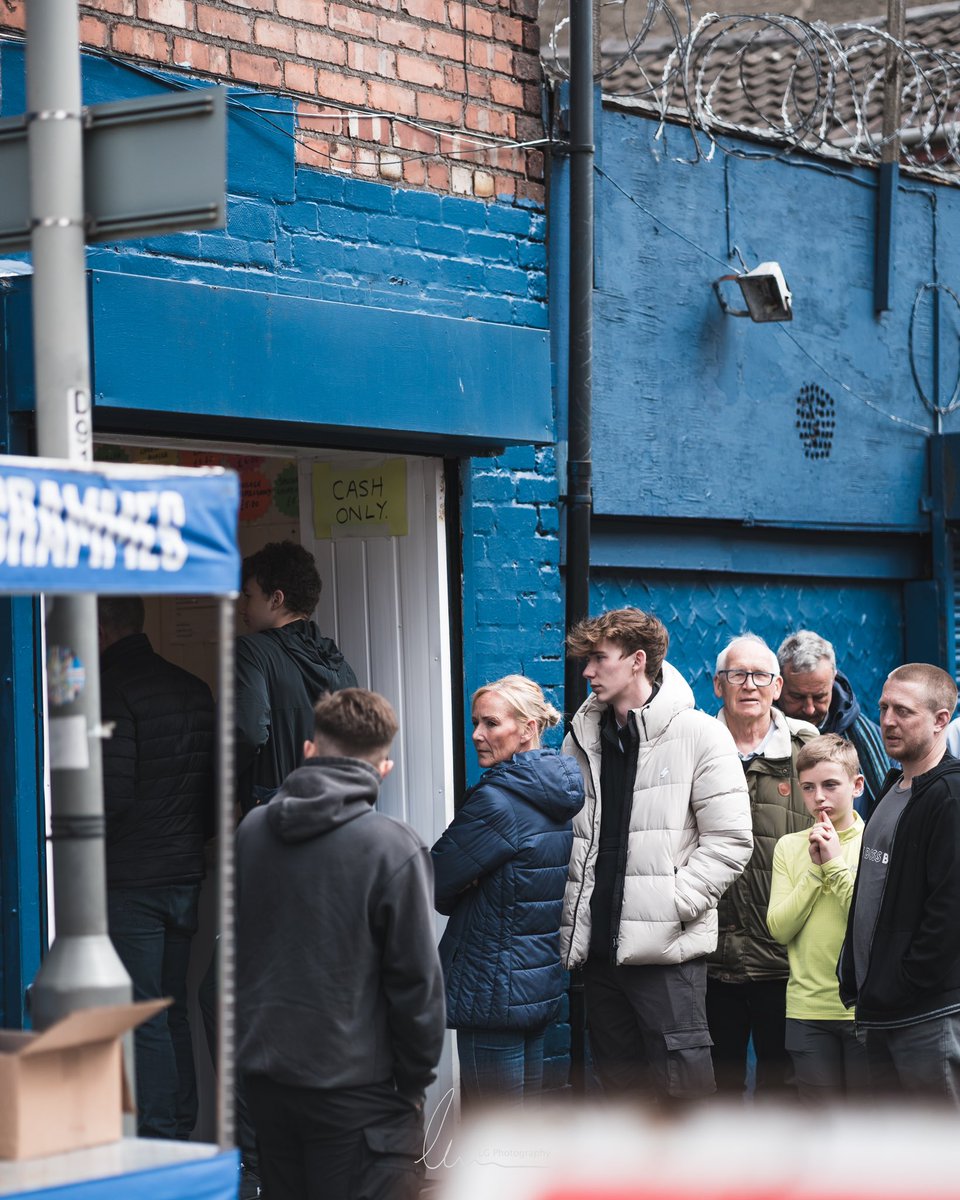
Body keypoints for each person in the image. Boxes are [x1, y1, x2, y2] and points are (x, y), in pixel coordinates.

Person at [236, 688, 445, 1199]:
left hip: (267, 1080)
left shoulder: (252, 831)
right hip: (358, 1092)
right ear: (384, 768)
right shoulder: (392, 846)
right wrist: (415, 1083)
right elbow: (416, 982)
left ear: (310, 751)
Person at [561, 608, 753, 1103]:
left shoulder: (699, 734)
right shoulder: (581, 738)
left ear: (637, 661)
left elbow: (730, 840)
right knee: (623, 1105)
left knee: (682, 1098)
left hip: (667, 957)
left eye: (598, 659)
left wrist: (672, 904)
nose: (588, 672)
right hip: (599, 956)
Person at [431, 675, 584, 1105]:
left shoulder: (497, 802)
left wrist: (465, 885)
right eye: (476, 723)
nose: (477, 735)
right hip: (534, 983)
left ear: (529, 727)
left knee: (493, 1136)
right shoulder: (553, 794)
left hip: (491, 986)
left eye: (491, 723)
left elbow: (435, 880)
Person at [99, 595, 215, 1140]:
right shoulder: (193, 688)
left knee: (142, 1011)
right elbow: (217, 793)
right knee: (171, 1010)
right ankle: (181, 1127)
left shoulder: (109, 690)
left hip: (132, 881)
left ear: (100, 627)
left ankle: (158, 1136)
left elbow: (110, 796)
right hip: (185, 875)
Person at [838, 664, 960, 1102]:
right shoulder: (893, 788)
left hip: (928, 1017)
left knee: (942, 1152)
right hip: (882, 1013)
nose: (887, 720)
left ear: (941, 719)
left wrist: (903, 983)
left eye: (904, 711)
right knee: (900, 1158)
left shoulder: (950, 797)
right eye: (884, 707)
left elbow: (949, 912)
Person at [708, 633, 818, 1096]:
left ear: (777, 686)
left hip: (785, 958)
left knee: (784, 1087)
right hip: (714, 957)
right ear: (719, 685)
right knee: (719, 1085)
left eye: (760, 676)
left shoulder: (806, 748)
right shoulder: (698, 747)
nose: (749, 685)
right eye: (738, 675)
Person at [767, 734, 867, 1104]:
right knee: (819, 1125)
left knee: (863, 1124)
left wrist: (835, 864)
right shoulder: (790, 847)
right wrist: (814, 869)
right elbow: (779, 928)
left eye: (830, 785)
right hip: (806, 1010)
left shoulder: (875, 841)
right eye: (808, 788)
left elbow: (868, 921)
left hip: (861, 1011)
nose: (819, 797)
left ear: (856, 785)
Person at [236, 540, 357, 814]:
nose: (242, 607)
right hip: (337, 813)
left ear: (276, 599)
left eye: (249, 596)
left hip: (276, 814)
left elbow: (248, 732)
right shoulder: (337, 661)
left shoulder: (250, 651)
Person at [777, 630, 890, 818]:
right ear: (779, 684)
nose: (810, 709)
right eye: (797, 697)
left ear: (833, 680)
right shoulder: (761, 737)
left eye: (820, 696)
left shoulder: (872, 738)